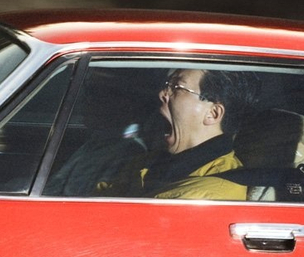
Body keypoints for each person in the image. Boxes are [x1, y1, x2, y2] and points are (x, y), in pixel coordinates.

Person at [105, 68, 259, 200]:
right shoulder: (148, 162)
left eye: (177, 87)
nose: (162, 94)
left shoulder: (209, 195)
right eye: (167, 85)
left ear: (212, 113)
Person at [43, 70, 146, 197]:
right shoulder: (96, 143)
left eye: (95, 93)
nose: (85, 101)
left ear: (122, 103)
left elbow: (90, 200)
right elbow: (56, 185)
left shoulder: (128, 152)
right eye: (88, 92)